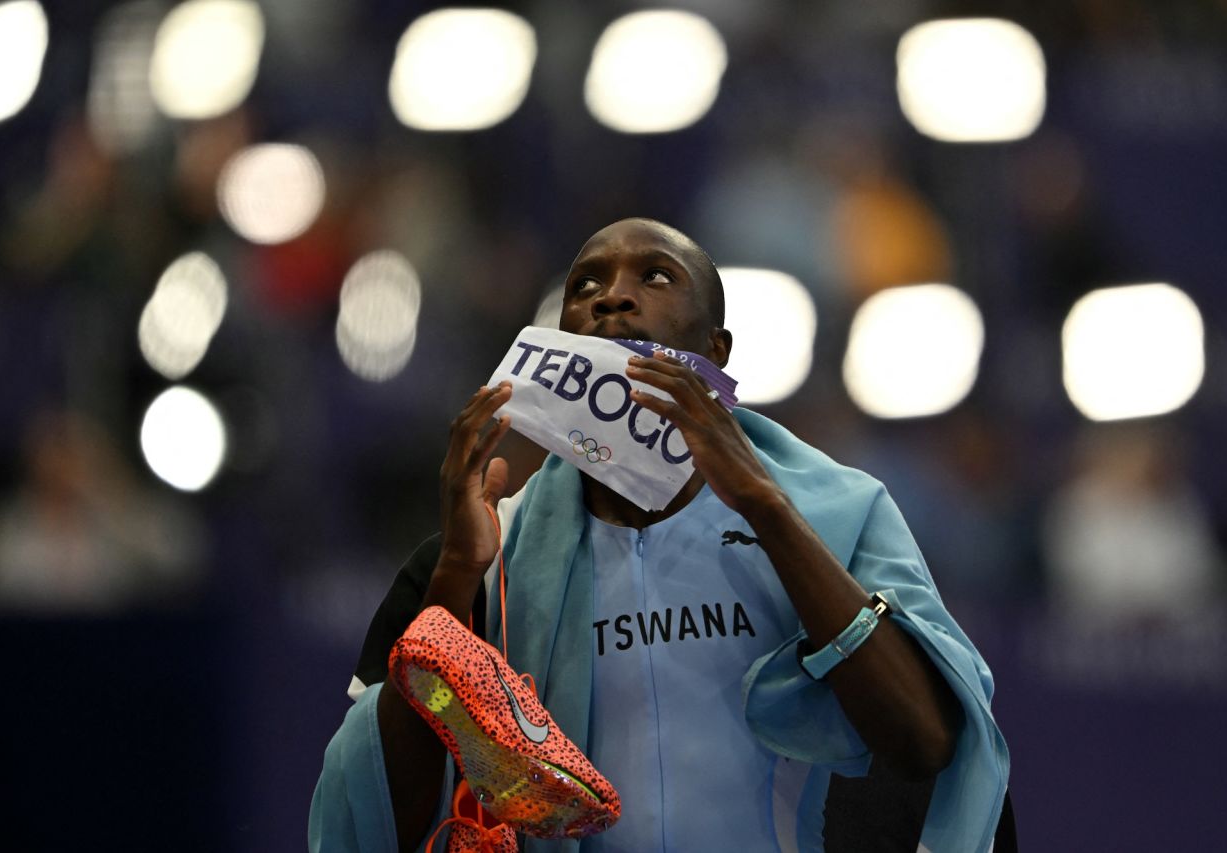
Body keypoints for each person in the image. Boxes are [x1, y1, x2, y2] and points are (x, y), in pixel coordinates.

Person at [310, 218, 1009, 852]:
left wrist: (766, 509)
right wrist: (456, 581)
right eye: (586, 285)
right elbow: (376, 818)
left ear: (716, 347)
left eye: (655, 276)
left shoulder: (838, 515)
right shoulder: (487, 553)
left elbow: (923, 743)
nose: (611, 297)